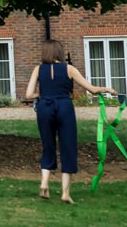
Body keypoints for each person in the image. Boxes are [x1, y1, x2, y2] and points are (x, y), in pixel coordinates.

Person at [23, 40, 116, 204]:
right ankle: (65, 193)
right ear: (59, 52)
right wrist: (106, 89)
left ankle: (44, 182)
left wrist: (44, 94)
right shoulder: (69, 69)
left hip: (45, 107)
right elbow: (92, 89)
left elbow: (29, 95)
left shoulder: (38, 69)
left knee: (48, 145)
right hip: (64, 106)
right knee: (68, 146)